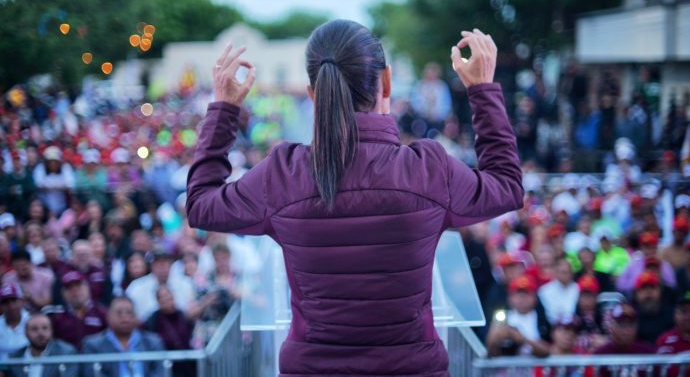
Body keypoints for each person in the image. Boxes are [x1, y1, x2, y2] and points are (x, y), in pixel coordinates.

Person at [186, 22, 524, 376]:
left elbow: (201, 205)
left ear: (314, 94)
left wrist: (224, 109)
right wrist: (482, 90)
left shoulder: (284, 174)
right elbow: (507, 185)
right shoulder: (427, 171)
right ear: (387, 82)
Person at [81, 296, 164, 377]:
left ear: (136, 317)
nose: (124, 317)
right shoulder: (93, 345)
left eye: (129, 312)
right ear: (108, 316)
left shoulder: (153, 342)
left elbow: (160, 372)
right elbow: (93, 374)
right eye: (119, 313)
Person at [43, 271, 108, 350]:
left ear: (87, 287)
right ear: (63, 293)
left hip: (98, 359)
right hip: (66, 360)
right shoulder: (56, 316)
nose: (75, 291)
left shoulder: (103, 313)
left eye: (78, 286)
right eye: (69, 288)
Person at [5, 313, 78, 377]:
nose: (40, 333)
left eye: (45, 328)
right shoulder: (16, 357)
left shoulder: (65, 353)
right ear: (25, 333)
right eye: (34, 329)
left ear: (51, 331)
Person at [0, 284, 30, 359]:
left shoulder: (33, 321)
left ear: (22, 301)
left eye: (14, 301)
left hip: (27, 367)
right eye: (5, 302)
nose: (11, 306)